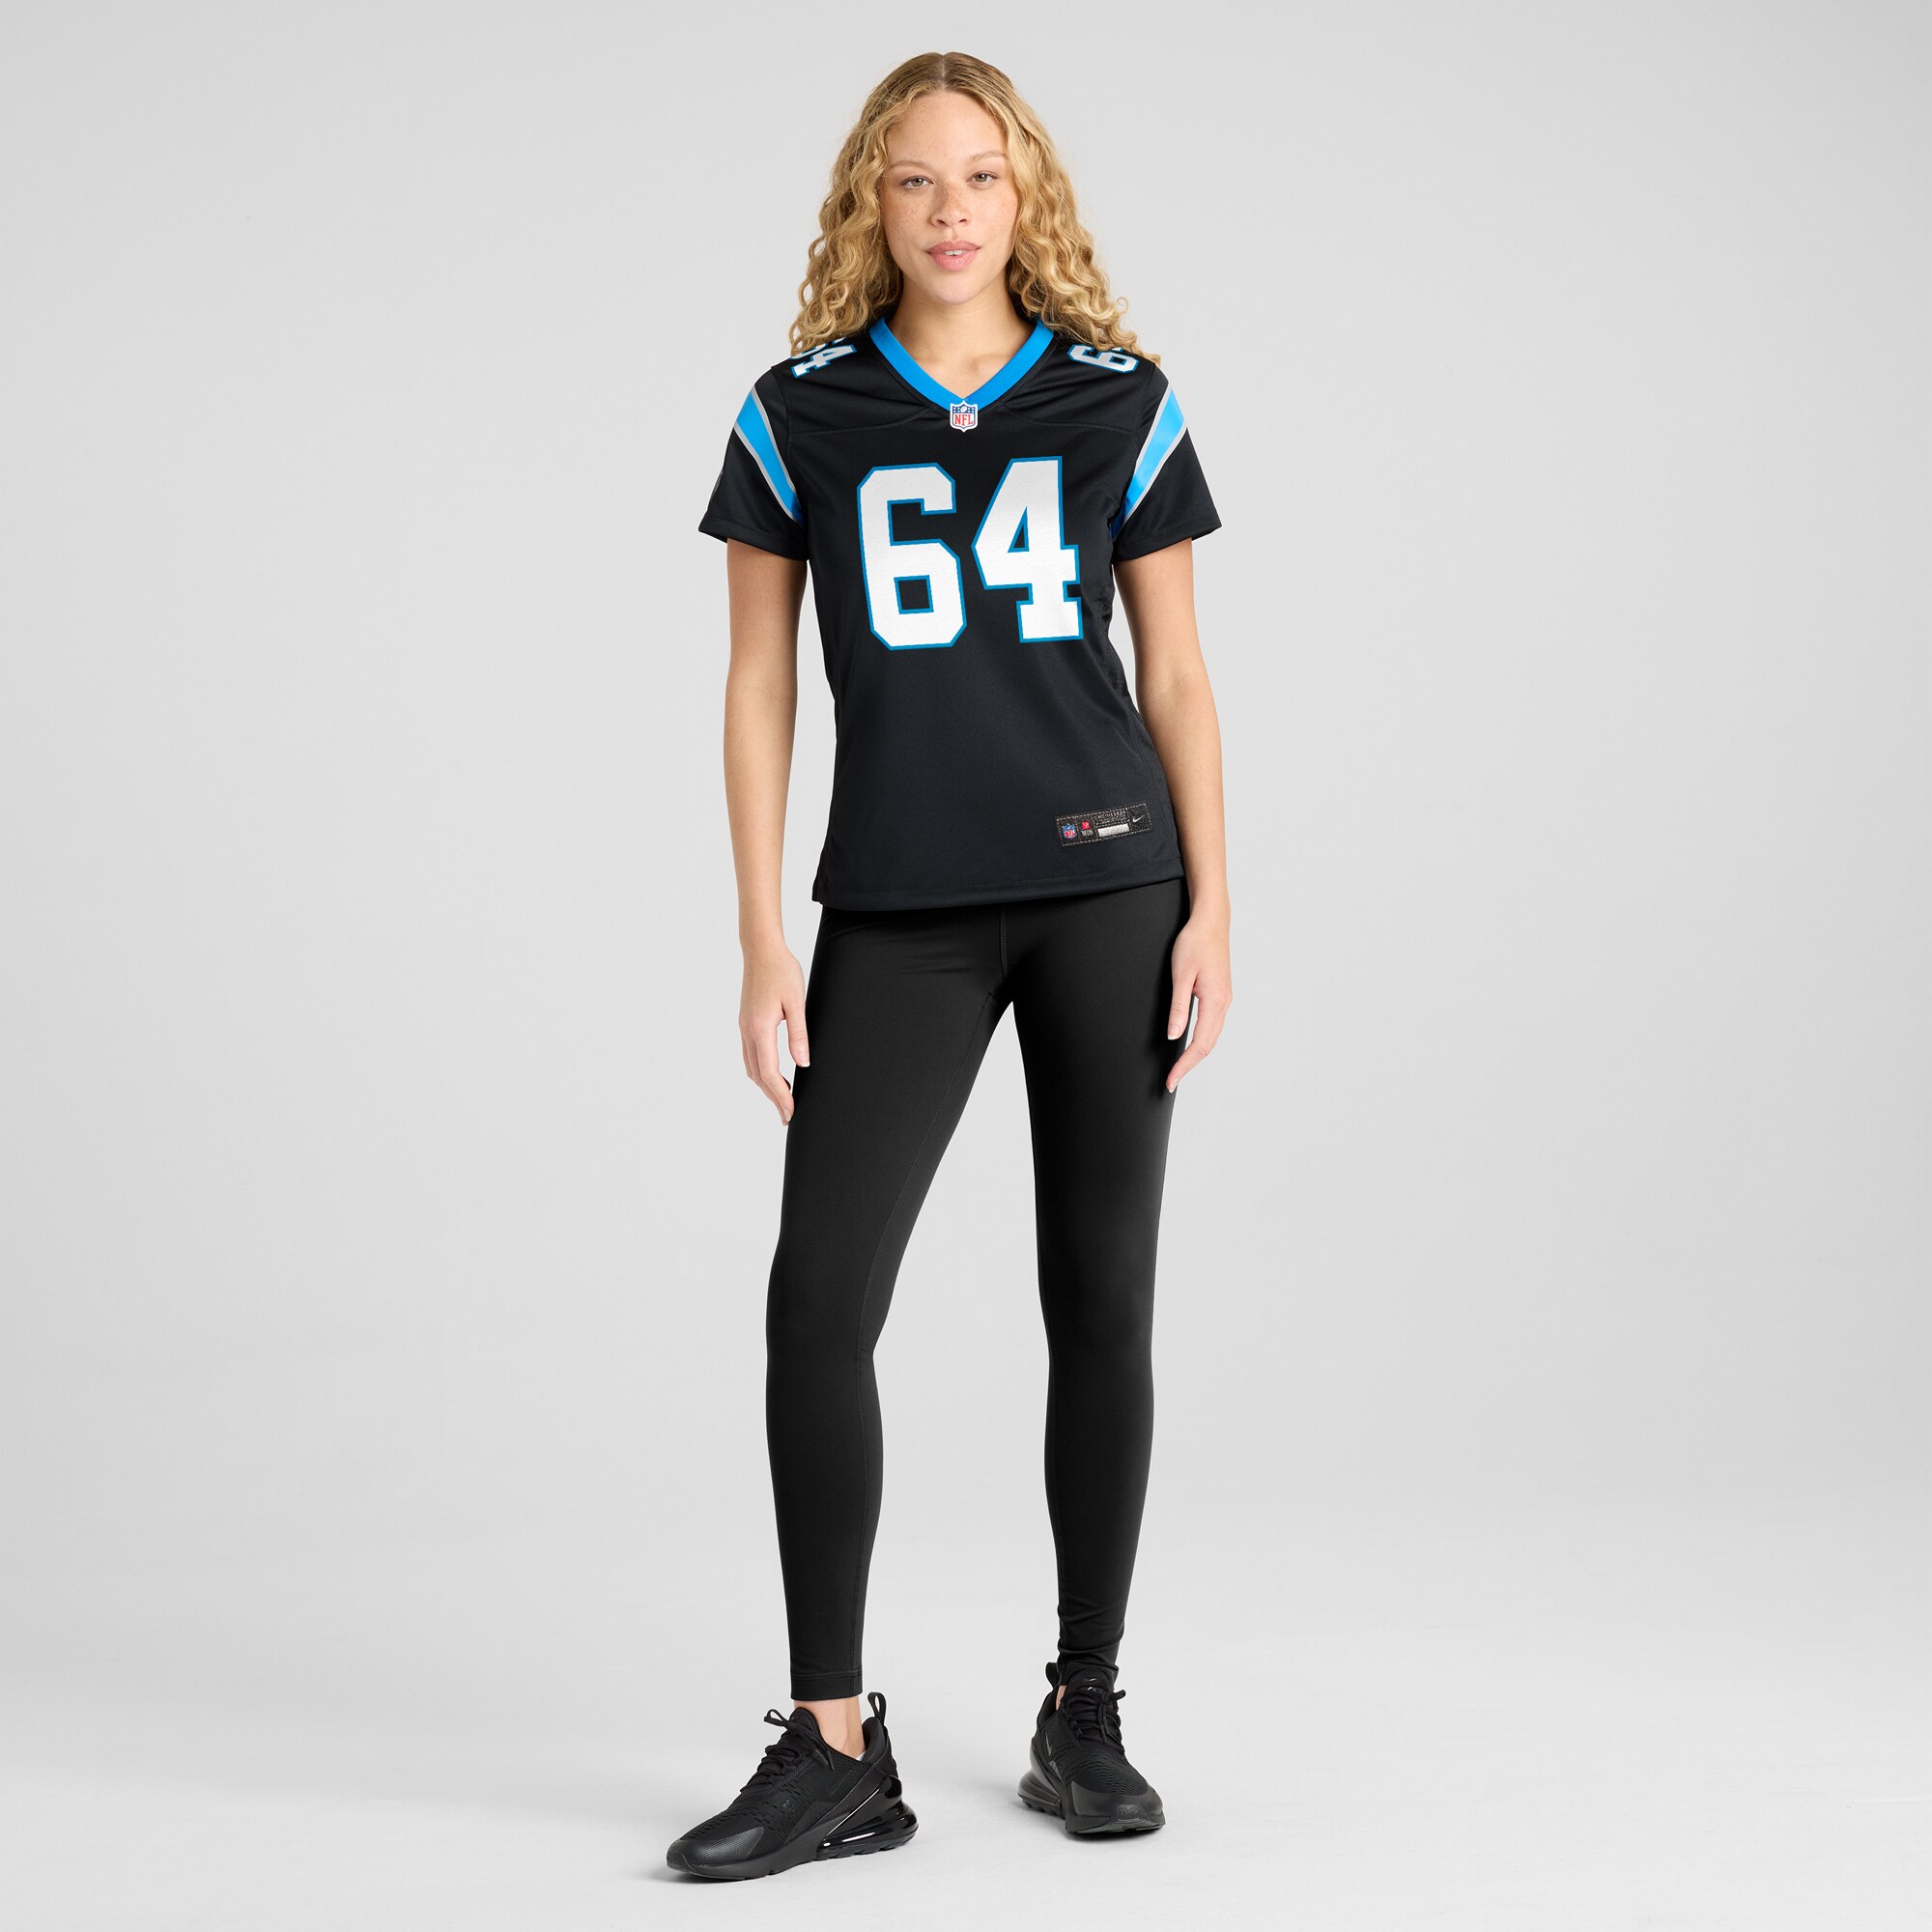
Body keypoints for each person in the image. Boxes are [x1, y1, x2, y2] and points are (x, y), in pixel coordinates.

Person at [667, 50, 1233, 1882]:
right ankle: (835, 1745)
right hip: (898, 908)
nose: (950, 210)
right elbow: (759, 682)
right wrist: (762, 929)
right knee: (817, 1301)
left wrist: (1215, 903)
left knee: (1103, 1300)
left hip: (1106, 892)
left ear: (1025, 192)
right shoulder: (801, 413)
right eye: (914, 179)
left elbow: (1177, 674)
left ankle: (1087, 1706)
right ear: (871, 202)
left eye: (980, 176)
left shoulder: (1117, 400)